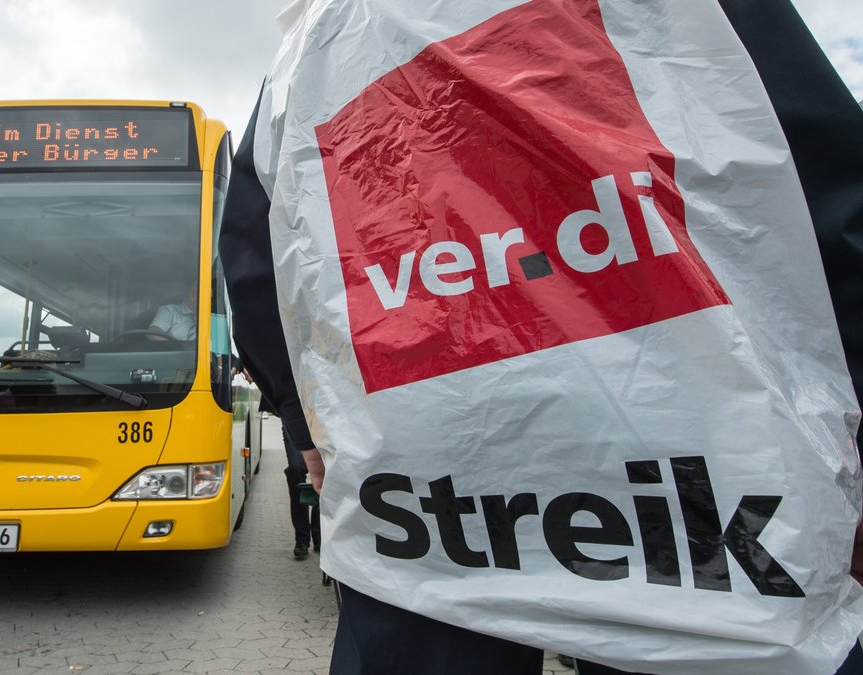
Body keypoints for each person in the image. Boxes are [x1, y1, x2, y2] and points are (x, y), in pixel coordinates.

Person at [220, 1, 863, 673]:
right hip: (704, 479)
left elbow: (258, 269)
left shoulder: (309, 50)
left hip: (421, 495)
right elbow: (815, 185)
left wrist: (306, 420)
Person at [283, 423, 321, 560]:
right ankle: (302, 538)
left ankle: (319, 534)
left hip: (324, 420)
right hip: (295, 419)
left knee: (327, 472)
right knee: (296, 469)